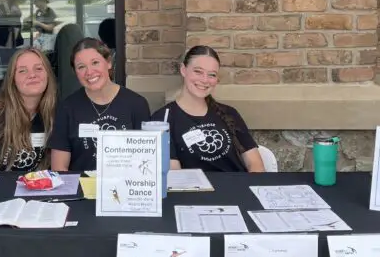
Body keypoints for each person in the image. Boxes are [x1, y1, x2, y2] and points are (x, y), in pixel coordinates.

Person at [151, 45, 264, 173]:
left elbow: (255, 164)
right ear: (183, 70)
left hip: (237, 189)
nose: (205, 80)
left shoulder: (229, 113)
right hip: (194, 191)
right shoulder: (163, 119)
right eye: (198, 72)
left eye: (212, 75)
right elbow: (174, 175)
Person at [49, 38, 150, 173]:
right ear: (75, 72)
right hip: (81, 190)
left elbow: (147, 160)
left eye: (95, 63)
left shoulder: (136, 104)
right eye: (81, 67)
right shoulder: (67, 108)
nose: (89, 72)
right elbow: (59, 168)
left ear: (108, 63)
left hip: (125, 188)